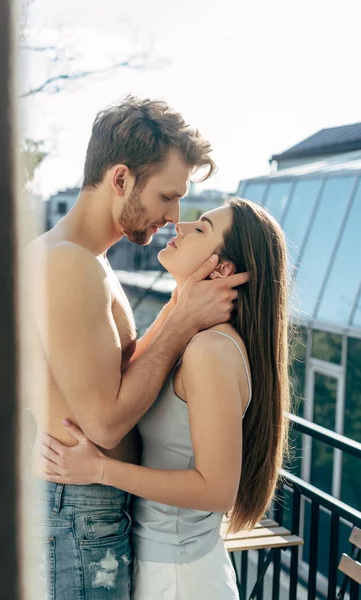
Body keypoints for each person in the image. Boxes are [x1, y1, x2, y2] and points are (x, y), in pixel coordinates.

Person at [26, 96, 248, 599]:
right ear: (121, 178)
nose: (173, 217)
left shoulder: (85, 259)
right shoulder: (68, 263)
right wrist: (182, 319)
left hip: (88, 509)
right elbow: (104, 422)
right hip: (82, 512)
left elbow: (118, 371)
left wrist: (179, 310)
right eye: (167, 196)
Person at [38, 197, 291, 599]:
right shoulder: (197, 338)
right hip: (164, 567)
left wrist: (100, 470)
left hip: (178, 578)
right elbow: (133, 370)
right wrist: (180, 306)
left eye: (202, 228)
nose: (181, 226)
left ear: (221, 269)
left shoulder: (211, 350)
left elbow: (216, 490)